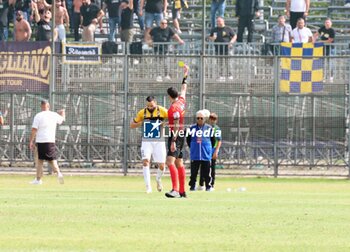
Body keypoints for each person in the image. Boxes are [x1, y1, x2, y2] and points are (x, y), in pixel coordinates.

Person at [130, 96, 168, 193]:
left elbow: (172, 120)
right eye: (148, 106)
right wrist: (141, 123)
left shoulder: (163, 111)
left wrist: (165, 123)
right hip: (147, 140)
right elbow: (132, 125)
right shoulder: (142, 112)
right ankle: (148, 187)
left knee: (162, 166)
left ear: (155, 103)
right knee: (146, 161)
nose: (150, 107)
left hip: (159, 141)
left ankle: (158, 179)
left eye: (152, 105)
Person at [164, 64, 189, 198]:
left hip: (176, 135)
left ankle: (175, 189)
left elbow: (178, 124)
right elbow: (184, 88)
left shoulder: (173, 108)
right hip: (181, 133)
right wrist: (185, 74)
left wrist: (173, 140)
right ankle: (182, 191)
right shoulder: (181, 101)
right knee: (179, 163)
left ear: (169, 96)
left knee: (170, 162)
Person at [29, 100, 65, 185]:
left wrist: (31, 140)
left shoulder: (38, 115)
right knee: (51, 159)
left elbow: (34, 129)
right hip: (51, 140)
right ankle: (57, 173)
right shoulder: (54, 115)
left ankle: (39, 179)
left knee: (40, 161)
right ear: (48, 106)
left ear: (41, 106)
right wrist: (63, 112)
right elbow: (62, 120)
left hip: (41, 141)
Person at [187, 110, 215, 192]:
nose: (199, 119)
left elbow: (213, 141)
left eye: (201, 118)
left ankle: (208, 186)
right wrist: (193, 147)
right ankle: (192, 186)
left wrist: (208, 149)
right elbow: (188, 140)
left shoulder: (209, 128)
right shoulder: (192, 128)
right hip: (195, 154)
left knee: (206, 172)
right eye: (198, 118)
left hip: (205, 154)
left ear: (205, 118)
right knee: (193, 172)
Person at [208, 17, 236, 81]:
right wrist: (212, 38)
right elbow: (210, 37)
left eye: (219, 21)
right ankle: (221, 75)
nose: (218, 22)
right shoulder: (214, 29)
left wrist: (231, 42)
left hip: (228, 49)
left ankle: (230, 75)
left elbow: (234, 36)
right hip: (218, 49)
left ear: (223, 21)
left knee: (228, 62)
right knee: (219, 63)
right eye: (217, 21)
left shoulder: (228, 29)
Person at [199, 112, 222, 190]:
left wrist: (216, 151)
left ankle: (211, 184)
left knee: (212, 168)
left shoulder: (217, 129)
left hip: (212, 151)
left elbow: (219, 141)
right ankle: (201, 184)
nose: (212, 120)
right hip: (204, 150)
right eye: (211, 118)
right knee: (202, 167)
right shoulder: (204, 127)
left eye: (214, 119)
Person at [313, 18, 335, 82]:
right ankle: (323, 77)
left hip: (330, 48)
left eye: (328, 22)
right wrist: (314, 40)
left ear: (331, 24)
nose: (327, 23)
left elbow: (330, 40)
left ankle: (331, 77)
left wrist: (320, 41)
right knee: (322, 63)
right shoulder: (322, 28)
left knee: (330, 62)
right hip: (322, 48)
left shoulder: (332, 31)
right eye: (326, 22)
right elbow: (315, 34)